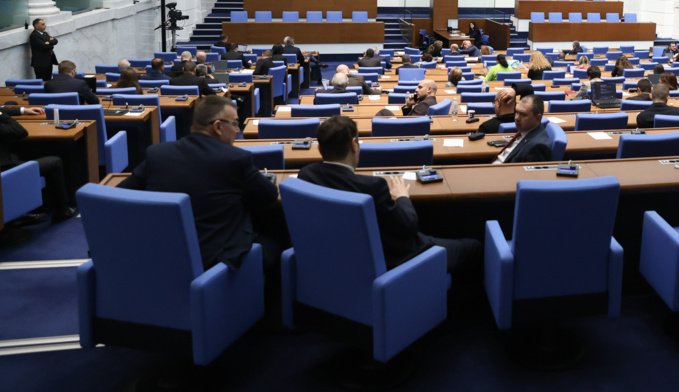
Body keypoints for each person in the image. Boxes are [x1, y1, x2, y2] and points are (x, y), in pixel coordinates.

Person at [118, 96, 285, 293]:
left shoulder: (158, 154)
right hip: (214, 260)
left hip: (161, 254)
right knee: (280, 238)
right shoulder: (236, 159)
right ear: (218, 126)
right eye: (235, 123)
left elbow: (120, 195)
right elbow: (268, 196)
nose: (237, 130)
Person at [298, 115, 480, 274]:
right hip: (392, 262)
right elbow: (408, 227)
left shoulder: (306, 175)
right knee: (475, 247)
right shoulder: (373, 187)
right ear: (354, 145)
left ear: (320, 149)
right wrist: (402, 197)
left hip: (333, 258)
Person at [0, 105, 76, 223]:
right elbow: (20, 131)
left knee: (17, 153)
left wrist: (23, 110)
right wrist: (2, 115)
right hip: (4, 171)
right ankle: (62, 211)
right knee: (55, 162)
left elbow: (2, 108)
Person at [491, 95, 554, 164]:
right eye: (517, 112)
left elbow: (526, 174)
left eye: (523, 114)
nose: (516, 118)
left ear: (537, 118)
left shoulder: (537, 146)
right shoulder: (525, 130)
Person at [29, 18, 59, 82]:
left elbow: (55, 41)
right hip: (40, 63)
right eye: (42, 24)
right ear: (36, 26)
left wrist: (49, 42)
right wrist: (49, 43)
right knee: (42, 80)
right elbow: (44, 47)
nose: (45, 25)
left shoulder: (45, 33)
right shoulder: (34, 35)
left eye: (44, 24)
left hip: (48, 61)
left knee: (48, 79)